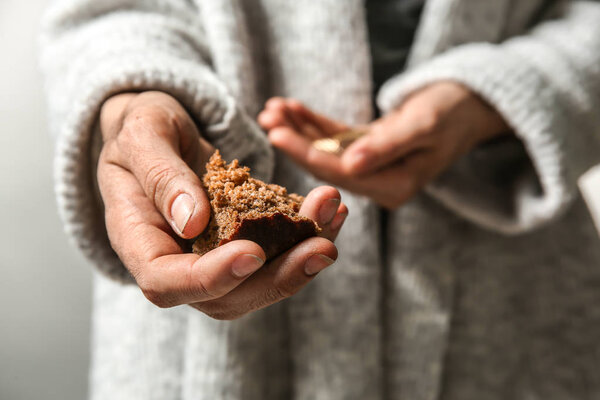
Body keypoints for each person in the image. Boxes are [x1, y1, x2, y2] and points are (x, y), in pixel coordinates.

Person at [40, 0, 600, 399]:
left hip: (518, 306)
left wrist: (507, 93)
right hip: (203, 352)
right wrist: (131, 100)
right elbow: (104, 14)